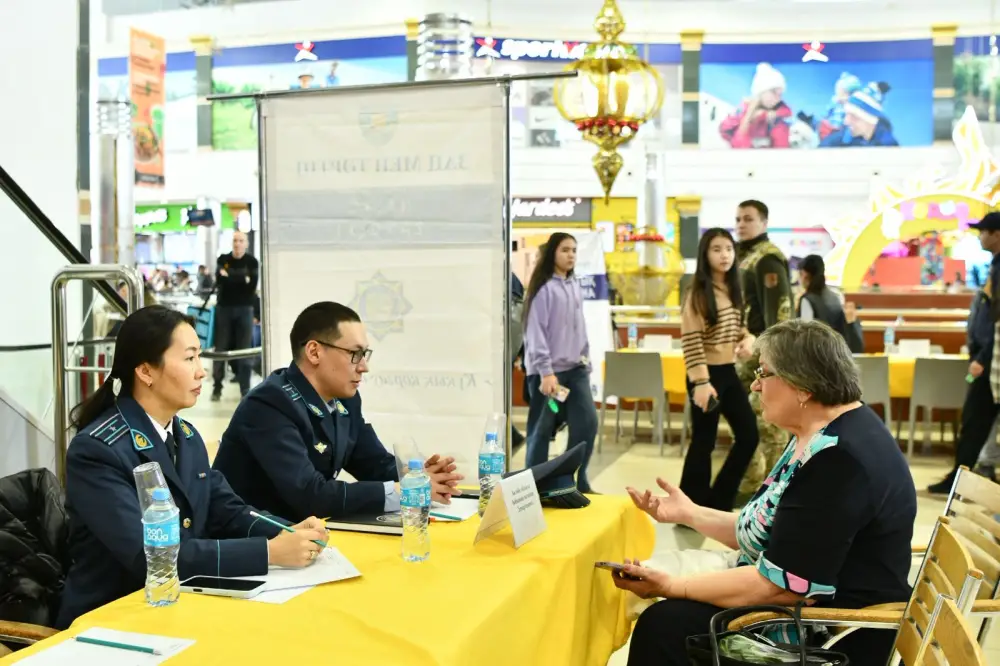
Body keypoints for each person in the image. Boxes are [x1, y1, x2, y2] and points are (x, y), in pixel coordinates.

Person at [616, 320, 916, 666]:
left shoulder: (838, 461)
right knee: (670, 608)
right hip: (807, 612)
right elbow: (780, 537)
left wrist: (671, 586)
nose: (756, 385)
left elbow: (780, 587)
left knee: (664, 624)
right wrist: (690, 513)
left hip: (829, 637)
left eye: (764, 373)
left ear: (802, 386)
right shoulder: (824, 431)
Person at [57, 306, 327, 629]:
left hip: (179, 607)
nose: (202, 372)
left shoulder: (186, 437)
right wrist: (268, 553)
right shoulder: (98, 451)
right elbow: (150, 558)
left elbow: (225, 508)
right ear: (145, 371)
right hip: (112, 620)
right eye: (189, 359)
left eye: (199, 357)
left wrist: (285, 530)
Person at [212, 302, 463, 522]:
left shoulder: (346, 400)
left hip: (305, 538)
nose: (364, 367)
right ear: (314, 352)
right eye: (355, 354)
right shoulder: (269, 404)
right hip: (258, 546)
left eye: (364, 354)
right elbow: (311, 495)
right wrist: (405, 491)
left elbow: (373, 463)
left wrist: (417, 476)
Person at [679, 228, 759, 511]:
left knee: (749, 434)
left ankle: (719, 499)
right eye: (716, 249)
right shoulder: (697, 294)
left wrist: (747, 338)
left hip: (727, 372)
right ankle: (690, 506)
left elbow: (738, 329)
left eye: (728, 248)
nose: (724, 254)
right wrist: (700, 382)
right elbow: (691, 340)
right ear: (705, 254)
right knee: (704, 440)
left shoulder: (733, 289)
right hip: (705, 376)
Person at [928, 212, 1000, 493]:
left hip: (991, 363)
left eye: (984, 231)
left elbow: (996, 321)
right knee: (975, 423)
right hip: (988, 359)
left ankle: (960, 480)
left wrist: (983, 357)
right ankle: (963, 477)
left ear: (997, 234)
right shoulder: (994, 266)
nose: (980, 236)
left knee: (974, 422)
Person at [522, 233, 598, 494]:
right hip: (549, 377)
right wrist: (546, 371)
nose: (571, 255)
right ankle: (532, 487)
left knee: (588, 422)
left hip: (576, 371)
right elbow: (536, 332)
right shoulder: (543, 289)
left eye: (574, 250)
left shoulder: (574, 285)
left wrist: (586, 359)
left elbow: (579, 327)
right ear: (553, 253)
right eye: (565, 249)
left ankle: (574, 480)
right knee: (541, 430)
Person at [733, 200, 793, 499]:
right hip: (746, 356)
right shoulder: (746, 257)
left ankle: (777, 491)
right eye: (738, 219)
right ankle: (753, 484)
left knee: (769, 425)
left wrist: (770, 355)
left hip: (766, 357)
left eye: (748, 219)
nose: (741, 224)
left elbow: (779, 316)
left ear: (764, 222)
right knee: (746, 424)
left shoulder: (767, 260)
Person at [212, 231, 258, 401]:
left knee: (244, 350)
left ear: (246, 243)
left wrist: (229, 275)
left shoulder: (252, 262)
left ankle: (245, 389)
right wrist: (241, 277)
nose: (237, 244)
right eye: (235, 240)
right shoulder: (222, 260)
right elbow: (219, 280)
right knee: (220, 348)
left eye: (241, 241)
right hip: (224, 309)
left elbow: (251, 285)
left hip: (245, 310)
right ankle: (217, 387)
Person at [796, 254, 864, 353]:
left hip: (819, 356)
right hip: (839, 354)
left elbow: (805, 336)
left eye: (800, 274)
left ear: (806, 275)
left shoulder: (807, 300)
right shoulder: (836, 296)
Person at [719, 63, 792, 149]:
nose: (777, 98)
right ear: (761, 92)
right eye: (773, 92)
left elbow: (781, 152)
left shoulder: (777, 121)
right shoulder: (741, 112)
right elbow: (727, 134)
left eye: (780, 94)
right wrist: (746, 117)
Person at [820, 82, 898, 148]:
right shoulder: (834, 143)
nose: (846, 122)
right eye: (846, 115)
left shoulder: (889, 146)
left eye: (854, 117)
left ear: (871, 121)